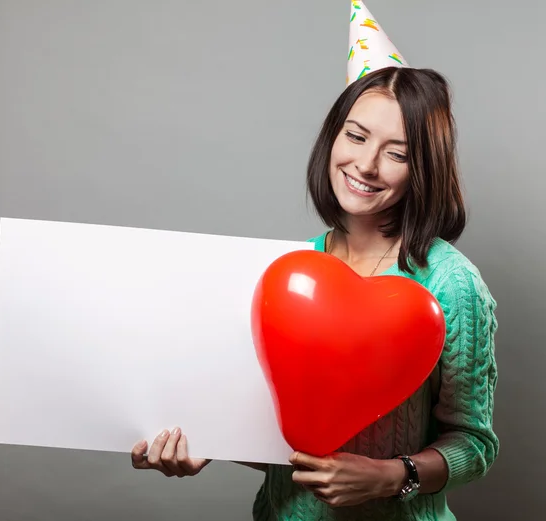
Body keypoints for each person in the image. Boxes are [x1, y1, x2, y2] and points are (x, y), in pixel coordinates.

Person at [130, 64, 499, 520]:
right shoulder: (290, 273)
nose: (365, 164)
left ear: (424, 168)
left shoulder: (451, 282)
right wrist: (207, 443)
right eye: (357, 136)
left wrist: (389, 475)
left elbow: (475, 443)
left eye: (397, 154)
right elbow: (286, 440)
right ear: (333, 136)